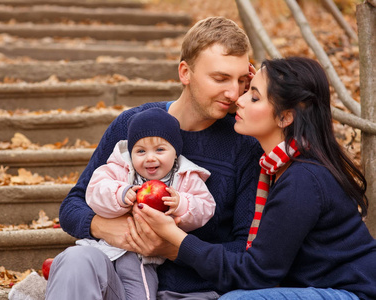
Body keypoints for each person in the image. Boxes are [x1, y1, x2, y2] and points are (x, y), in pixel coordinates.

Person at [46, 16, 262, 299]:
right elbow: (72, 205)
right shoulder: (132, 125)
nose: (233, 92)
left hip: (194, 291)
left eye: (242, 81)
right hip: (119, 280)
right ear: (185, 72)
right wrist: (106, 227)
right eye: (220, 78)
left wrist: (174, 247)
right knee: (75, 261)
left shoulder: (244, 145)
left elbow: (246, 248)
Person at [130, 57, 376, 300]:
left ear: (285, 117)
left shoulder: (304, 179)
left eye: (254, 96)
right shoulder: (279, 166)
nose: (239, 99)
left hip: (353, 292)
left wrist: (175, 238)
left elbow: (256, 274)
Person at [79, 107, 216, 300]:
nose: (150, 157)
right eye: (140, 151)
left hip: (141, 256)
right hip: (106, 247)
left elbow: (206, 207)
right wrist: (120, 194)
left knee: (141, 294)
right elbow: (94, 191)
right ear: (131, 153)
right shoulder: (118, 170)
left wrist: (182, 204)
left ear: (175, 152)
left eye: (160, 149)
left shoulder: (186, 177)